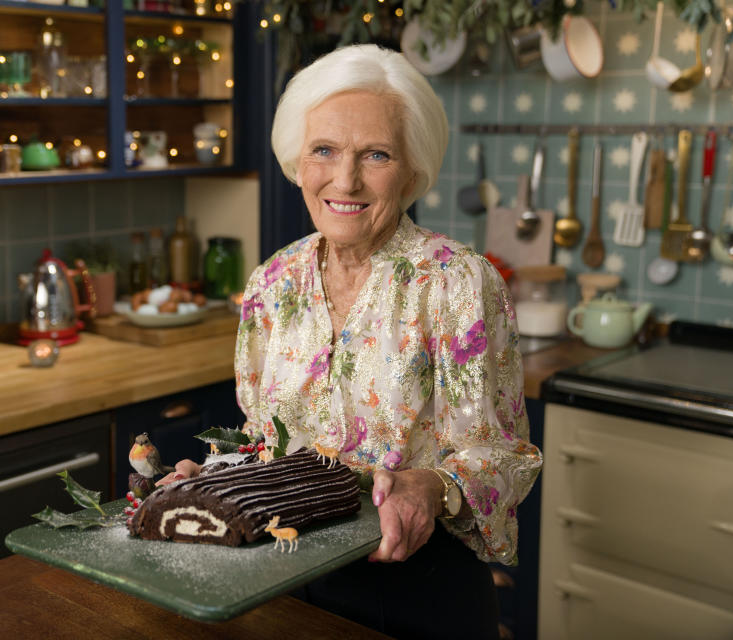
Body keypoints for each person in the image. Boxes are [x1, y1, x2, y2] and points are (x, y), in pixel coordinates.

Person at [159, 44, 542, 639]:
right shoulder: (273, 282)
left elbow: (504, 457)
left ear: (412, 169)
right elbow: (268, 442)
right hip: (284, 576)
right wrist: (216, 479)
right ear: (297, 160)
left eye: (376, 155)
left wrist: (431, 487)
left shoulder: (458, 282)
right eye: (325, 151)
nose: (346, 180)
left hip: (417, 588)